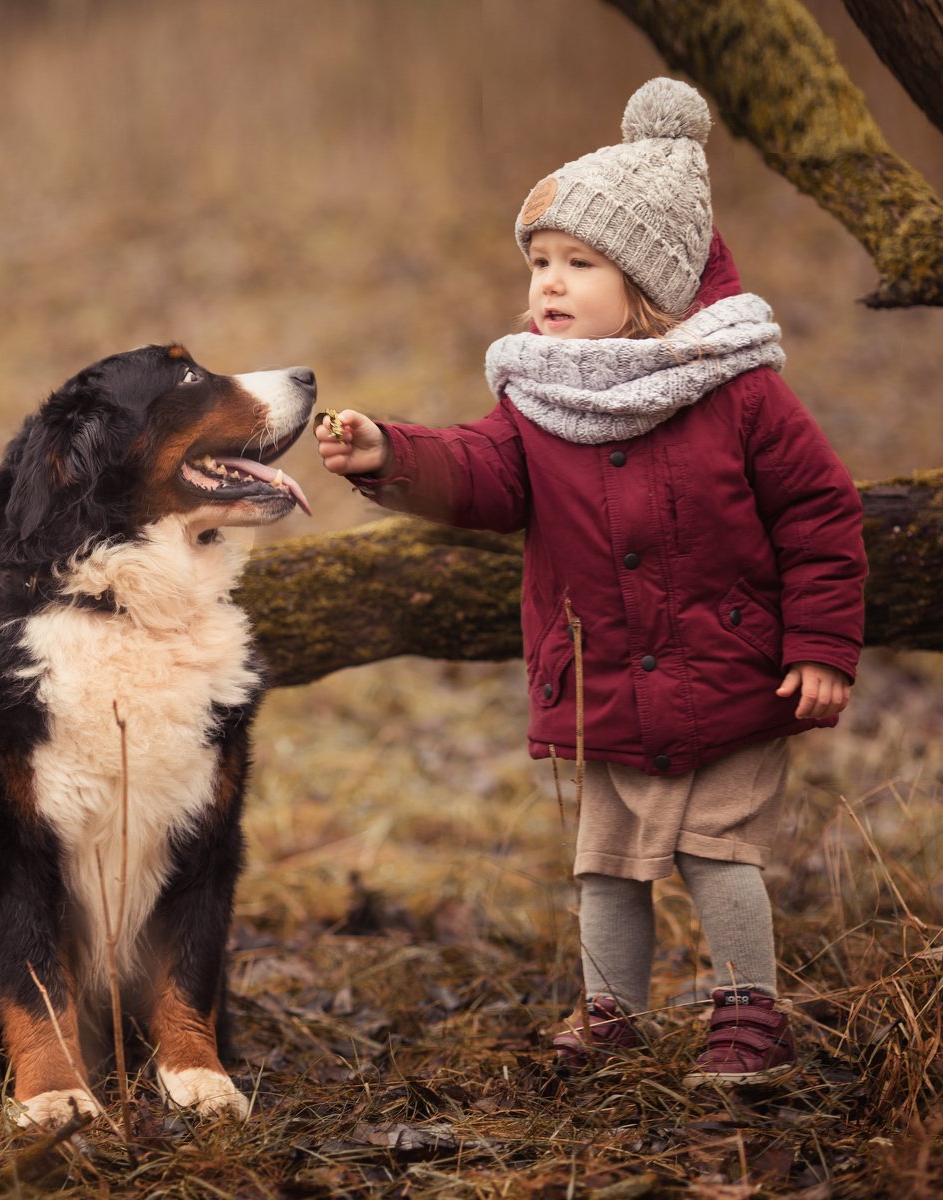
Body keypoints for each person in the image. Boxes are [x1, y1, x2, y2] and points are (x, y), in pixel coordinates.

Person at [313, 78, 867, 1086]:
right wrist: (388, 452)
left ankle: (749, 1012)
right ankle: (611, 1011)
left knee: (718, 848)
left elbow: (820, 514)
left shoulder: (741, 391)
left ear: (650, 284)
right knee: (604, 861)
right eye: (538, 265)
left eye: (578, 264)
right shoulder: (539, 396)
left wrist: (823, 647)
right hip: (603, 679)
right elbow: (480, 472)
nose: (547, 287)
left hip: (732, 672)